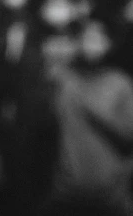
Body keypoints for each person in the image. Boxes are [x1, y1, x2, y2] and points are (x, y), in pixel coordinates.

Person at [40, 18, 133, 216]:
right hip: (66, 192)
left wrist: (87, 103)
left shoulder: (120, 84)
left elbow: (129, 134)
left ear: (109, 44)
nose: (91, 44)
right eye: (86, 38)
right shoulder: (63, 79)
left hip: (111, 195)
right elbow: (42, 129)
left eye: (98, 39)